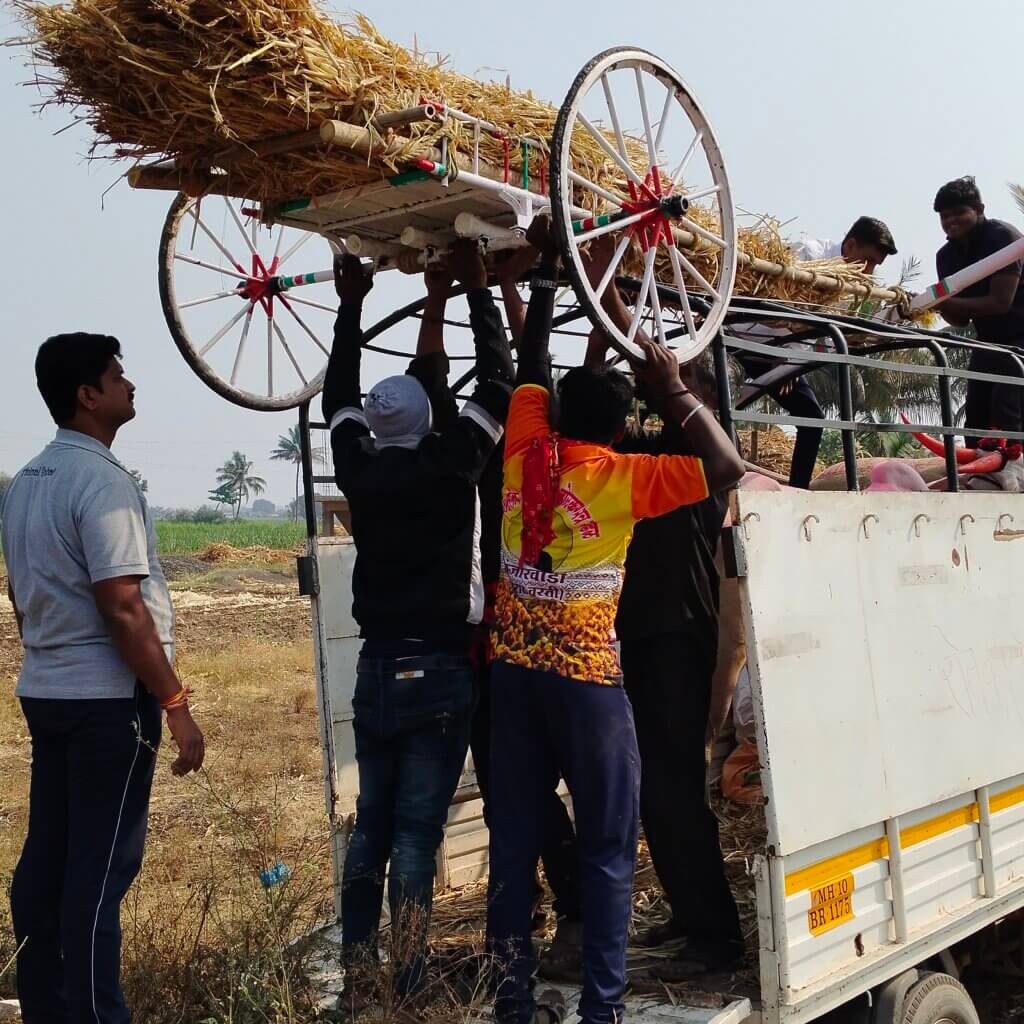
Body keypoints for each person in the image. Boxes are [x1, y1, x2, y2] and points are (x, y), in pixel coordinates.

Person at [485, 217, 745, 1024]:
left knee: (512, 850)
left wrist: (535, 279)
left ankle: (513, 1004)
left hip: (513, 683)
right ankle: (604, 1009)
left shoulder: (523, 453)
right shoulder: (632, 477)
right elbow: (725, 464)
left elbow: (532, 371)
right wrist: (666, 376)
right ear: (626, 422)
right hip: (591, 686)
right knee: (607, 852)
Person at [322, 245, 515, 1003]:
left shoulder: (358, 469)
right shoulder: (452, 465)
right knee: (414, 836)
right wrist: (475, 288)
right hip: (440, 667)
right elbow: (501, 380)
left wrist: (349, 305)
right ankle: (406, 979)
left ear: (372, 424)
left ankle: (360, 966)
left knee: (370, 825)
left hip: (377, 669)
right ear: (430, 418)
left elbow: (337, 394)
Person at [2, 332, 205, 1024]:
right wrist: (175, 703)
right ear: (88, 397)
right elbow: (122, 607)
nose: (131, 385)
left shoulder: (28, 479)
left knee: (45, 866)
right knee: (97, 873)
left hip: (48, 691)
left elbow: (19, 591)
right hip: (106, 704)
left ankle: (46, 1010)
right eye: (118, 376)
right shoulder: (105, 483)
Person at [735, 215, 898, 488]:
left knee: (812, 419)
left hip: (783, 357)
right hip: (745, 339)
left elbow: (824, 329)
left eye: (875, 265)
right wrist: (786, 360)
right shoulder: (807, 254)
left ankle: (798, 491)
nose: (868, 271)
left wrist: (788, 362)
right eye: (867, 260)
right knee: (719, 405)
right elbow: (781, 307)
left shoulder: (851, 287)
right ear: (850, 246)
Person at [931, 176, 1024, 447]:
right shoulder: (945, 256)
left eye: (959, 212)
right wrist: (937, 305)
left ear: (980, 210)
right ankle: (979, 479)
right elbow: (959, 319)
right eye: (944, 216)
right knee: (975, 419)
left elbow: (999, 302)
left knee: (1007, 411)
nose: (951, 221)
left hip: (1020, 339)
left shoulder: (1003, 238)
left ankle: (1012, 476)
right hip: (989, 341)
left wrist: (942, 302)